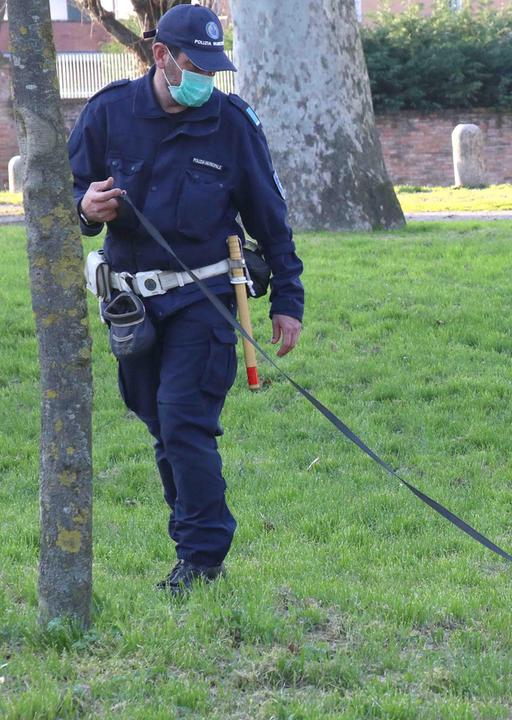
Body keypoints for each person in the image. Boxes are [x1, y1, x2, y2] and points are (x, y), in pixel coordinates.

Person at [68, 5, 304, 594]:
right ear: (160, 56)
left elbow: (270, 216)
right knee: (159, 423)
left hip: (206, 297)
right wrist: (85, 208)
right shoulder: (107, 113)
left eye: (214, 68)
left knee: (183, 421)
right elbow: (64, 193)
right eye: (196, 66)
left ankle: (202, 558)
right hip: (132, 304)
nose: (207, 79)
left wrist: (288, 297)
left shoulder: (232, 122)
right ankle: (191, 540)